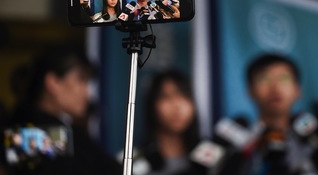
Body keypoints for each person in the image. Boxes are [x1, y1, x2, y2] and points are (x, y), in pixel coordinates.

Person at [7, 44, 122, 175]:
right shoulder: (42, 136)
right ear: (53, 82)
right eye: (81, 79)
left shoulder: (21, 126)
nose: (87, 93)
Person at [216, 53, 318, 175]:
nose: (275, 88)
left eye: (284, 79)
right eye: (264, 79)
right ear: (250, 91)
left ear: (298, 90)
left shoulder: (314, 139)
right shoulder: (237, 140)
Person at [127, 70, 200, 175]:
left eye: (184, 96)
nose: (177, 106)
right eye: (166, 97)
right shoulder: (131, 161)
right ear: (152, 105)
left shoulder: (210, 158)